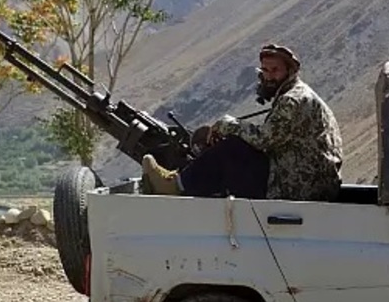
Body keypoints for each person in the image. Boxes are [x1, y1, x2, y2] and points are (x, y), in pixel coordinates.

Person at [142, 43, 344, 201]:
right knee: (238, 148)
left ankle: (175, 185)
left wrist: (228, 124)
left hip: (298, 187)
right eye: (265, 70)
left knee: (232, 149)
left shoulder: (292, 100)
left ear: (289, 72)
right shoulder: (299, 94)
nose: (268, 77)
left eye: (275, 70)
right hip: (309, 181)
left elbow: (265, 139)